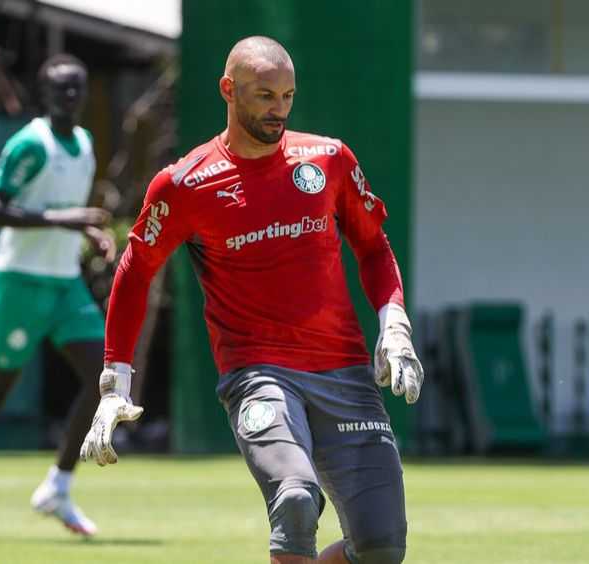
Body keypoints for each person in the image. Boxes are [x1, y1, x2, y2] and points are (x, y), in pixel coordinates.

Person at [79, 36, 423, 564]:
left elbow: (373, 246)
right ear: (228, 89)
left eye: (287, 96)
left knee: (381, 547)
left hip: (345, 370)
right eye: (264, 95)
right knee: (295, 499)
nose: (278, 109)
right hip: (259, 374)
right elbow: (134, 271)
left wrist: (393, 321)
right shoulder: (185, 183)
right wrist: (114, 382)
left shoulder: (328, 160)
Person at [0, 54, 116, 540]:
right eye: (61, 90)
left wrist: (89, 235)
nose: (70, 97)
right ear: (45, 94)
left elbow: (67, 212)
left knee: (103, 381)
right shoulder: (31, 143)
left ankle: (59, 485)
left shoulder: (86, 144)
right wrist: (66, 220)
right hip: (17, 281)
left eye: (77, 88)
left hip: (63, 282)